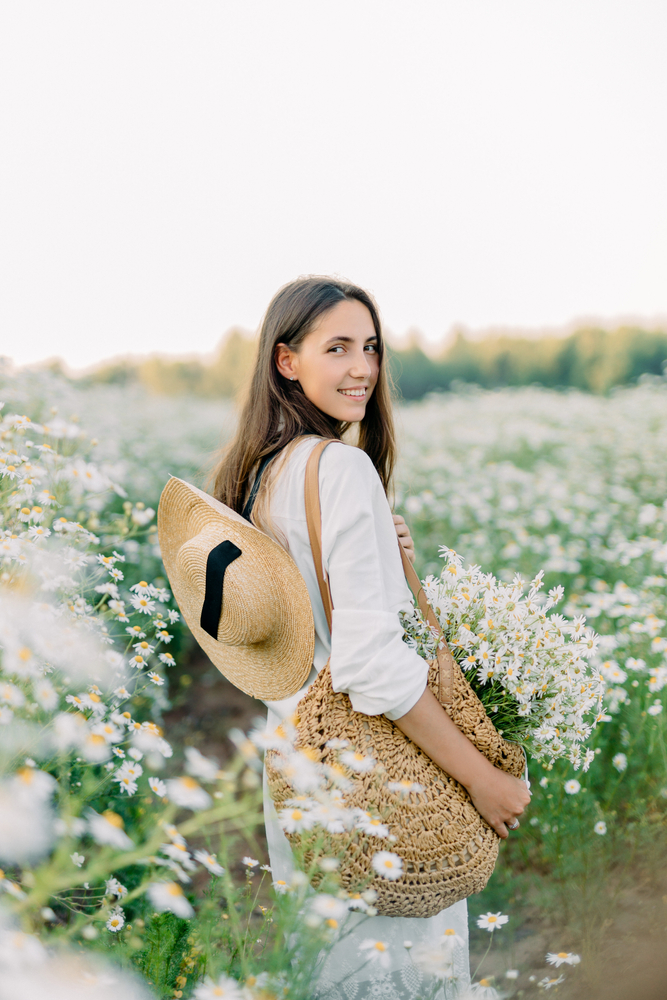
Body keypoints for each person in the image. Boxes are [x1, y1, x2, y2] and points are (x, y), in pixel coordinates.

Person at [212, 276, 530, 999]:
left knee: (334, 969)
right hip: (374, 767)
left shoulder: (264, 472)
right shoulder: (343, 469)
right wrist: (482, 779)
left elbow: (293, 621)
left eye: (371, 347)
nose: (362, 368)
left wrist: (392, 560)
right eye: (337, 348)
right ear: (286, 361)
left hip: (299, 757)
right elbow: (372, 666)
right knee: (404, 974)